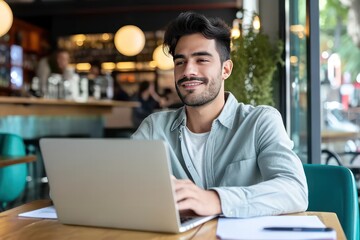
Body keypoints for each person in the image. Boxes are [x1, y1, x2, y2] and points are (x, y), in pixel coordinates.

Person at [131, 12, 308, 218]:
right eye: (180, 62)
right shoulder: (154, 128)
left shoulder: (260, 122)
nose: (188, 70)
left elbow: (295, 190)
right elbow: (121, 182)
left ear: (226, 69)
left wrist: (216, 200)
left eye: (201, 60)